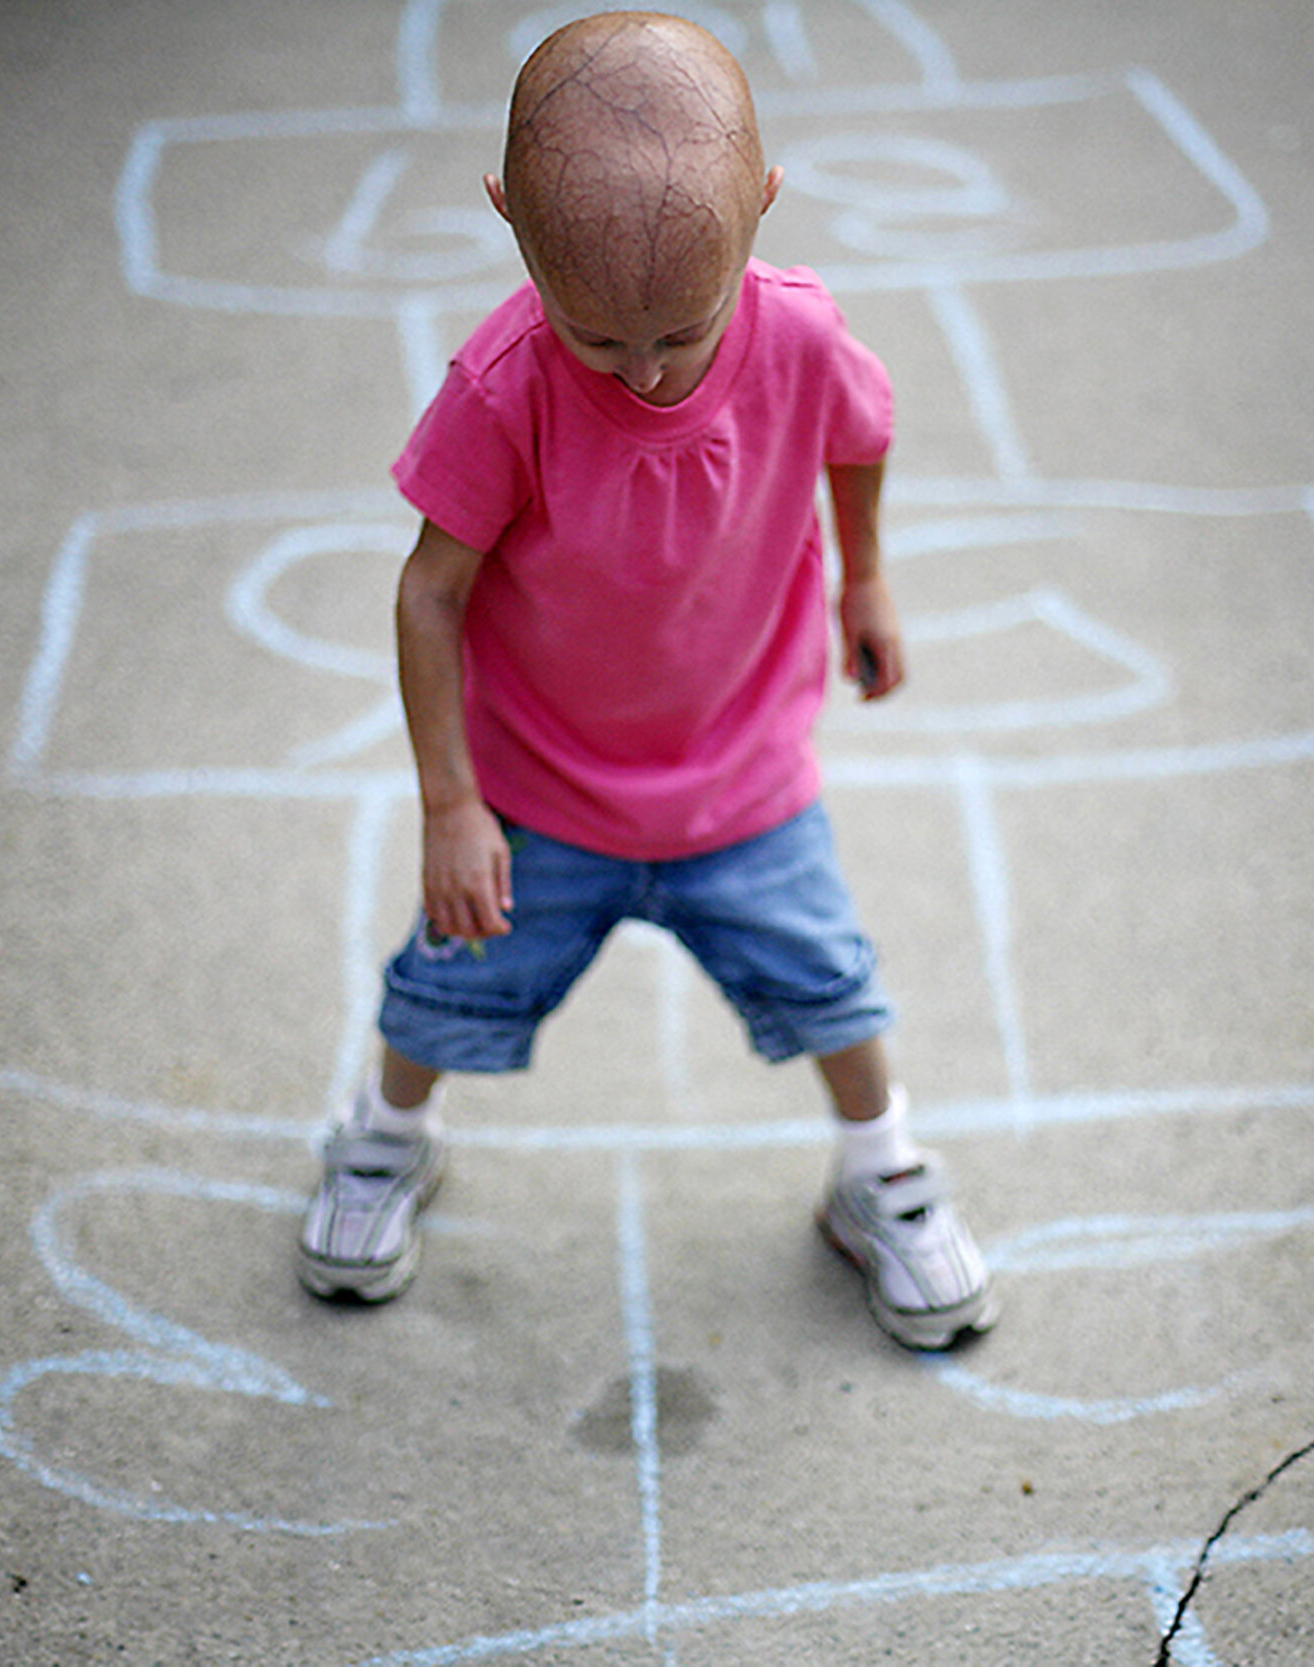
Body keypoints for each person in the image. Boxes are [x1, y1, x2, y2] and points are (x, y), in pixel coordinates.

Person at [298, 11, 995, 1350]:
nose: (648, 369)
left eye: (682, 329)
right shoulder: (505, 389)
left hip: (743, 777)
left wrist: (865, 575)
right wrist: (451, 804)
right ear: (507, 222)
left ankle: (881, 1179)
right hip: (540, 796)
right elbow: (429, 592)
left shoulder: (794, 332)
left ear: (765, 208)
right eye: (600, 336)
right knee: (446, 988)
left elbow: (861, 430)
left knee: (835, 990)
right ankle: (387, 1138)